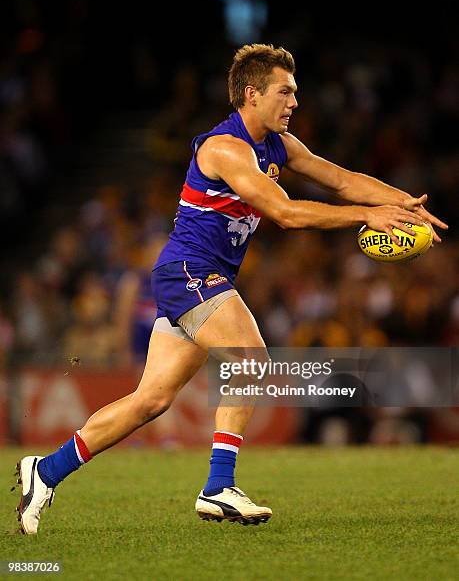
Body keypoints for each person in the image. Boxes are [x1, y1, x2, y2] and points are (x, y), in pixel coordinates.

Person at [16, 44, 448, 533]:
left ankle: (45, 470)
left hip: (198, 278)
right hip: (189, 271)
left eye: (296, 92)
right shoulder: (223, 148)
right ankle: (218, 486)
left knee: (151, 401)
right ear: (252, 94)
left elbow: (343, 181)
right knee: (250, 356)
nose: (294, 102)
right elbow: (284, 212)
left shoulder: (279, 146)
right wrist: (370, 216)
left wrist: (405, 205)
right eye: (285, 92)